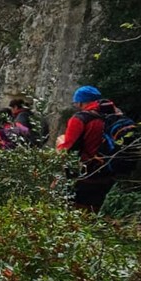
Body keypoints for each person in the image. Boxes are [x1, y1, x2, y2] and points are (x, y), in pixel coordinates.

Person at [56, 85, 116, 213]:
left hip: (85, 173)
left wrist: (60, 142)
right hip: (107, 172)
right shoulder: (111, 116)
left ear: (81, 102)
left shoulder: (80, 119)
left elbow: (68, 147)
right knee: (92, 211)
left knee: (75, 212)